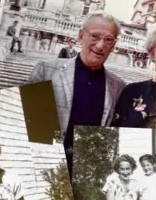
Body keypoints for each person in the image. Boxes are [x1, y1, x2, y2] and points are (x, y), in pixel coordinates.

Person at [27, 11, 126, 176]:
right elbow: (27, 122)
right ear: (81, 36)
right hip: (45, 167)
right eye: (95, 36)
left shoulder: (119, 87)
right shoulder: (45, 71)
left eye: (108, 40)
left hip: (86, 175)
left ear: (114, 45)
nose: (100, 45)